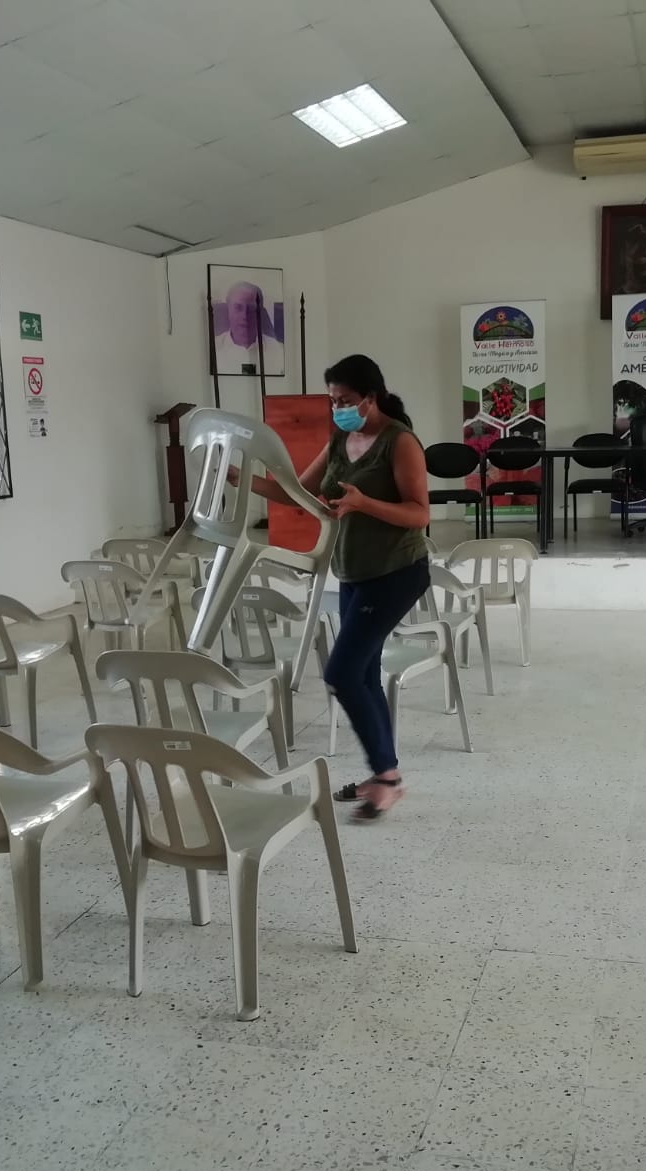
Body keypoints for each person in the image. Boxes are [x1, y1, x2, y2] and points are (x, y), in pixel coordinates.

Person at [247, 354, 430, 820]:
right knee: (363, 675)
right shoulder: (340, 439)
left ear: (371, 397)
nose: (338, 409)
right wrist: (239, 479)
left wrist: (365, 503)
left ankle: (386, 776)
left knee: (342, 673)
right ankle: (385, 775)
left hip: (395, 572)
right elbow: (297, 491)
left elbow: (419, 513)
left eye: (345, 400)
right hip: (354, 573)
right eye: (333, 401)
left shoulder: (399, 442)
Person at [212, 281, 283, 376]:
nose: (245, 316)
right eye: (238, 307)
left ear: (260, 312)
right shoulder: (213, 348)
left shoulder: (279, 350)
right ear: (228, 309)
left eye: (252, 309)